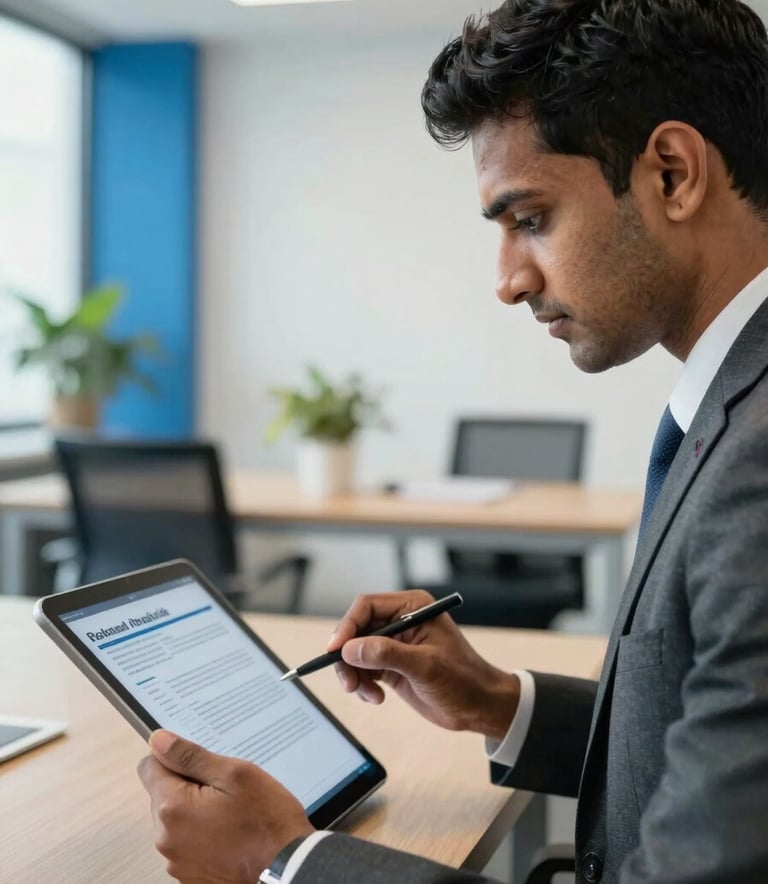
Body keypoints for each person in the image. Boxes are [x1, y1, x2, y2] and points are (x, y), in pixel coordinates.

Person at [137, 0, 768, 881]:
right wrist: (498, 702)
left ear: (671, 172)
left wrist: (288, 859)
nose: (509, 281)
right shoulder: (732, 403)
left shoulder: (757, 470)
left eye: (531, 217)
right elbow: (706, 746)